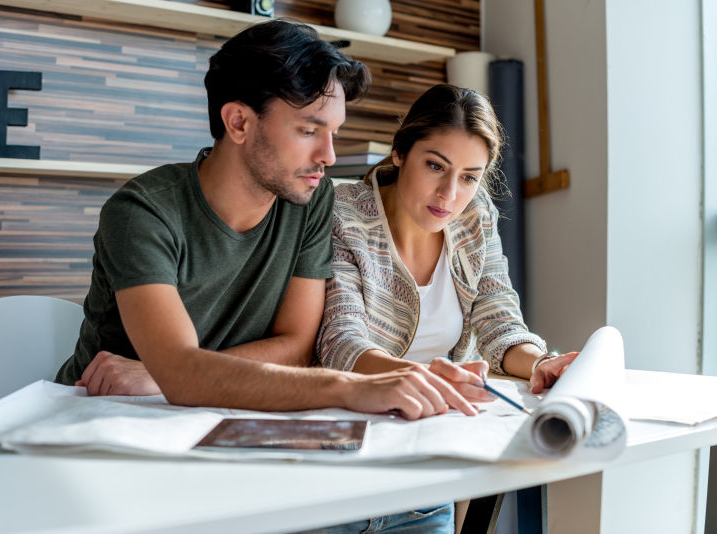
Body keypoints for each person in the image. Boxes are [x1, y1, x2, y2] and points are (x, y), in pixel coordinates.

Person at [55, 21, 486, 420]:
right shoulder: (142, 212)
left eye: (333, 133)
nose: (329, 156)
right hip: (105, 418)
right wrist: (350, 386)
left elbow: (296, 347)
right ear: (238, 122)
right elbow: (181, 372)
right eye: (309, 131)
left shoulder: (310, 201)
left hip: (228, 413)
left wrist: (169, 374)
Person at [313, 83, 578, 532]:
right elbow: (340, 342)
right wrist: (426, 378)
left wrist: (539, 364)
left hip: (425, 478)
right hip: (338, 474)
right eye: (435, 166)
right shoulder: (342, 213)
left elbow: (499, 319)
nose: (449, 194)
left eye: (469, 177)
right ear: (400, 152)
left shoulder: (476, 217)